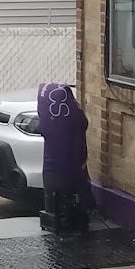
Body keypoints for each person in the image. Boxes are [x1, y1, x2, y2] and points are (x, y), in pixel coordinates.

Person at [35, 81, 94, 233]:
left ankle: (63, 216)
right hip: (73, 165)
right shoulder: (74, 116)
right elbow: (83, 123)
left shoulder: (47, 118)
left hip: (52, 171)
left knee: (58, 194)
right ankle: (76, 214)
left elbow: (40, 128)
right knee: (73, 189)